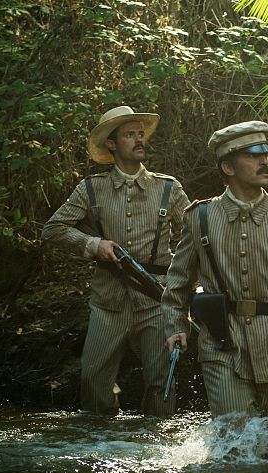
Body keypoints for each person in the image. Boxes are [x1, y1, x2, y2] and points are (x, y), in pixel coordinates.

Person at [162, 121, 268, 457]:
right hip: (222, 345)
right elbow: (178, 281)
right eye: (253, 155)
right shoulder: (200, 217)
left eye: (266, 154)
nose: (265, 161)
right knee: (235, 449)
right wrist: (175, 325)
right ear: (228, 167)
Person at [42, 105, 189, 417]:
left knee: (162, 384)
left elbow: (195, 235)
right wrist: (93, 244)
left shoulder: (168, 187)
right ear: (111, 144)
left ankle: (158, 443)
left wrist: (182, 277)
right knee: (93, 381)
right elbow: (53, 229)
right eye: (129, 135)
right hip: (108, 301)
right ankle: (104, 441)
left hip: (156, 299)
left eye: (140, 134)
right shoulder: (91, 189)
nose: (139, 140)